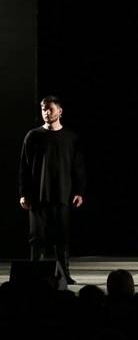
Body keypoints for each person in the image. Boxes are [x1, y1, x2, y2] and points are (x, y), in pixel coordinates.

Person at [18, 96, 86, 285]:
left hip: (62, 195)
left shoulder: (71, 138)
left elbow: (78, 167)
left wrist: (79, 191)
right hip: (37, 196)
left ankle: (64, 274)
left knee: (61, 238)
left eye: (50, 109)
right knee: (36, 238)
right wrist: (23, 193)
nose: (47, 113)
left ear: (60, 111)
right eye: (44, 110)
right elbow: (24, 167)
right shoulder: (33, 136)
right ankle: (34, 275)